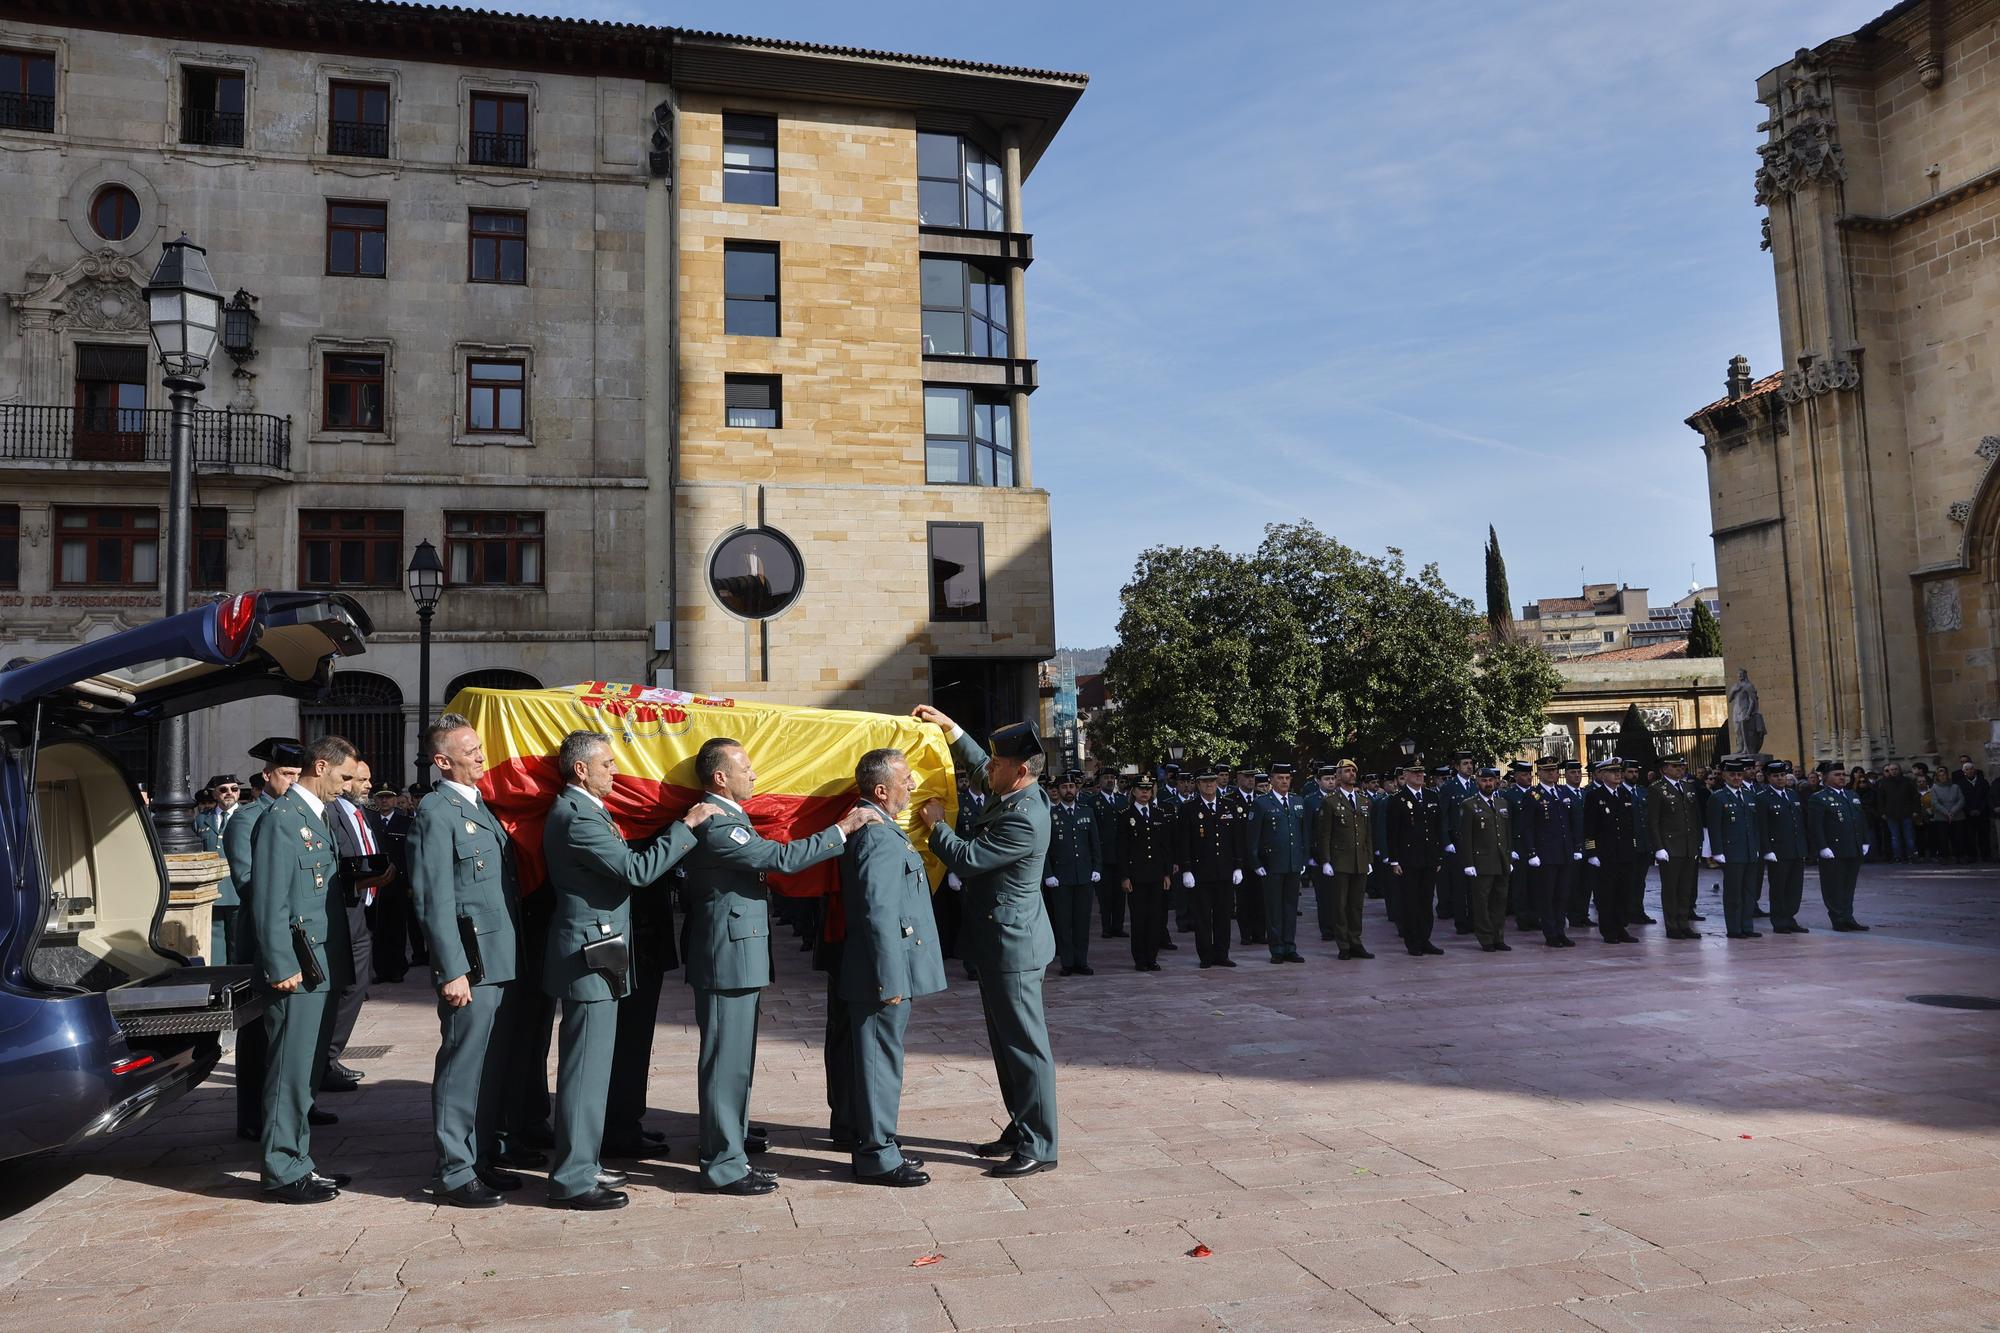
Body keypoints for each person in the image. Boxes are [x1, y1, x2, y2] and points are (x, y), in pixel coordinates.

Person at [679, 736, 871, 1196]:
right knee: (726, 1060)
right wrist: (840, 830)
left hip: (737, 952)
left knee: (737, 1057)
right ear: (720, 777)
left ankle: (731, 1139)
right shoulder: (718, 824)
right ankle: (722, 1163)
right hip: (725, 956)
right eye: (745, 767)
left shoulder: (731, 817)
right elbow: (778, 858)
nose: (755, 774)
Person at [542, 730, 719, 1210]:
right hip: (588, 954)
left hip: (602, 949)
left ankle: (584, 1160)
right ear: (580, 769)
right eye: (606, 764)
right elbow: (636, 871)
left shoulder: (589, 811)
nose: (615, 771)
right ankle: (572, 1179)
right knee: (584, 1070)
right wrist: (688, 824)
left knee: (596, 1068)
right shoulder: (577, 817)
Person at [913, 707, 1060, 1179]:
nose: (987, 771)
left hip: (1015, 946)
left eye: (999, 765)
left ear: (1020, 772)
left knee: (1025, 1047)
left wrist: (936, 824)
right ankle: (1021, 1127)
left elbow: (968, 859)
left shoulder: (1025, 817)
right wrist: (951, 726)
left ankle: (1040, 1143)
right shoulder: (1012, 791)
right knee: (1005, 1044)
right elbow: (981, 765)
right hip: (1000, 942)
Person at [408, 714, 521, 1208]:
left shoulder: (479, 805)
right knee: (461, 1065)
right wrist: (451, 969)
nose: (481, 755)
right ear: (443, 761)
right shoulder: (438, 810)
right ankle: (454, 1171)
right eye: (470, 750)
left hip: (497, 956)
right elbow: (434, 896)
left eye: (479, 747)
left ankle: (477, 1158)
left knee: (488, 1064)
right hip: (470, 963)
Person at [249, 734, 360, 1204]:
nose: (348, 786)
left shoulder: (313, 816)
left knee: (308, 1070)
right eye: (344, 776)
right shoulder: (282, 819)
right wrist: (280, 963)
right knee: (289, 1073)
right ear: (320, 766)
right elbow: (270, 898)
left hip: (320, 963)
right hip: (297, 965)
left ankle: (300, 1161)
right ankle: (280, 1169)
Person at [836, 747, 944, 1187]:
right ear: (881, 790)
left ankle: (880, 1142)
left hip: (884, 967)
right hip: (882, 971)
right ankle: (877, 1154)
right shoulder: (878, 835)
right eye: (905, 780)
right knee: (879, 1062)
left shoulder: (882, 829)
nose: (913, 786)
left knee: (882, 1059)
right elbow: (878, 911)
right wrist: (889, 976)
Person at [225, 741, 306, 1143]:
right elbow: (248, 882)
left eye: (297, 774)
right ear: (267, 776)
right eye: (286, 774)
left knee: (295, 1030)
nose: (292, 781)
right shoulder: (248, 819)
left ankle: (297, 1107)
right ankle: (252, 1115)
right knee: (258, 1030)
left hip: (297, 936)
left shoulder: (296, 815)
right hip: (261, 937)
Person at [322, 758, 396, 1093]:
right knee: (348, 986)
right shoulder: (333, 813)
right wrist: (363, 880)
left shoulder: (360, 813)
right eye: (361, 779)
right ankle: (325, 1060)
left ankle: (329, 1059)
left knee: (356, 984)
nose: (368, 785)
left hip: (363, 908)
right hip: (346, 908)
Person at [1174, 768, 1246, 968]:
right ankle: (1205, 955)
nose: (1209, 785)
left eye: (1212, 782)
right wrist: (1186, 869)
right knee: (1203, 917)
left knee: (1223, 916)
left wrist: (1238, 866)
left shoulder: (1228, 806)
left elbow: (1236, 839)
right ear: (1198, 784)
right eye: (1205, 782)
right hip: (1200, 872)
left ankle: (1222, 954)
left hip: (1224, 871)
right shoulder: (1189, 809)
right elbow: (1184, 842)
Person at [1458, 766, 1523, 952]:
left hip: (1502, 860)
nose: (1488, 784)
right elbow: (1466, 836)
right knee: (1482, 902)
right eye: (1484, 780)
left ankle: (1498, 936)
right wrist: (1469, 863)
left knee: (1500, 901)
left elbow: (1507, 832)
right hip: (1482, 861)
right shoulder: (1469, 805)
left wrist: (1509, 857)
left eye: (1491, 780)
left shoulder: (1502, 803)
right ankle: (1486, 938)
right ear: (1477, 782)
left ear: (1496, 781)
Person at [1313, 760, 1373, 960]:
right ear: (1338, 776)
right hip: (1340, 860)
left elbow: (1367, 833)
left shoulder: (1364, 800)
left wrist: (1369, 858)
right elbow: (1324, 834)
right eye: (1347, 771)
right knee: (1340, 904)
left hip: (1360, 859)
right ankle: (1343, 945)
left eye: (1354, 770)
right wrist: (1326, 860)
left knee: (1356, 904)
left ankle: (1356, 941)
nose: (1351, 774)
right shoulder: (1330, 801)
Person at [1249, 762, 1309, 964]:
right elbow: (1253, 837)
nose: (1284, 781)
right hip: (1272, 864)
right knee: (1274, 908)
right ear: (1271, 780)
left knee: (1291, 907)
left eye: (1287, 778)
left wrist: (1303, 859)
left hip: (1293, 863)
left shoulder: (1297, 801)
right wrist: (1255, 862)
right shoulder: (1262, 803)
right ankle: (1277, 948)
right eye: (1280, 778)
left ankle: (1290, 946)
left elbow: (1303, 834)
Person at [1042, 773, 1101, 976]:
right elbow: (1045, 848)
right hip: (1061, 877)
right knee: (1064, 921)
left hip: (1084, 875)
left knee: (1082, 921)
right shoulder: (1050, 814)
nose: (1069, 790)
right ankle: (1067, 962)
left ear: (1077, 789)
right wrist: (1048, 874)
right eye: (1064, 787)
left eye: (1071, 786)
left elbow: (1095, 843)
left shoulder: (1087, 811)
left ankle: (1081, 961)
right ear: (1057, 790)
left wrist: (1097, 868)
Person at [1384, 761, 1445, 957]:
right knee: (1410, 901)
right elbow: (1392, 832)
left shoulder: (1431, 796)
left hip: (1428, 857)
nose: (1420, 776)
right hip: (1408, 859)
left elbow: (1437, 829)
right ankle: (1413, 942)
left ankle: (1425, 938)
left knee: (1426, 901)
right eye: (1415, 773)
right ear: (1406, 775)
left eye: (1422, 772)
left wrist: (1438, 857)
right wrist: (1394, 860)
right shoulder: (1397, 800)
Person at [1583, 758, 1640, 944]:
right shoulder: (1595, 796)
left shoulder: (1624, 795)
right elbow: (1589, 827)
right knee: (1607, 894)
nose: (1618, 775)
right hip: (1605, 855)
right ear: (1603, 775)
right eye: (1613, 771)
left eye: (1619, 771)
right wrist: (1592, 853)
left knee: (1624, 892)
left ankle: (1621, 927)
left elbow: (1630, 826)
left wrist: (1632, 849)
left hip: (1624, 853)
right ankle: (1608, 930)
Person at [1808, 762, 1871, 931]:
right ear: (1825, 777)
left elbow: (1861, 820)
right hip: (1833, 849)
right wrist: (1822, 847)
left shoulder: (1852, 795)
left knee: (1849, 885)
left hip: (1853, 847)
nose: (1842, 777)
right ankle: (1837, 918)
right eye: (1837, 774)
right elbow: (1816, 826)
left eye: (1843, 774)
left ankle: (1848, 916)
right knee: (1833, 885)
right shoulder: (1819, 798)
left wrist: (1865, 841)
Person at [1119, 777, 1174, 972]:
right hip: (1136, 876)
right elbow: (1122, 849)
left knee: (1155, 918)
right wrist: (1124, 876)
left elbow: (1165, 846)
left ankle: (1152, 957)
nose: (1145, 793)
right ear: (1133, 791)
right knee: (1139, 918)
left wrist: (1167, 873)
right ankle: (1140, 958)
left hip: (1156, 875)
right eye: (1141, 789)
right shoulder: (1126, 815)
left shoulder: (1158, 814)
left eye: (1148, 790)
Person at [1707, 758, 1764, 939]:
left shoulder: (1749, 796)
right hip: (1731, 852)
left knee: (1749, 891)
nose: (1737, 778)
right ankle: (1734, 928)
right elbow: (1714, 827)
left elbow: (1755, 825)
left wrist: (1756, 847)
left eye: (1739, 774)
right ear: (1724, 776)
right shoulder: (1718, 797)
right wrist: (1717, 851)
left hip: (1749, 851)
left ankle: (1747, 926)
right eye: (1732, 774)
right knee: (1733, 893)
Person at [1649, 754, 1703, 939]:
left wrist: (1697, 844)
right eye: (1675, 767)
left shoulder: (1688, 787)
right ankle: (1672, 926)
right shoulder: (1657, 789)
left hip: (1688, 846)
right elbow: (1653, 821)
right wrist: (1659, 847)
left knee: (1686, 888)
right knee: (1671, 889)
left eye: (1682, 767)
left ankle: (1684, 922)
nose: (1680, 770)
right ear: (1664, 769)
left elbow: (1695, 818)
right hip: (1670, 846)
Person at [1526, 757, 1579, 947]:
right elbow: (1529, 827)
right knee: (1547, 895)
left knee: (1562, 894)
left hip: (1564, 852)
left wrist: (1576, 847)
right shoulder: (1534, 795)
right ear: (1539, 773)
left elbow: (1571, 822)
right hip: (1546, 854)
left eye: (1554, 770)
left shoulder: (1563, 792)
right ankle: (1551, 933)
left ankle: (1560, 930)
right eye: (1547, 771)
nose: (1551, 774)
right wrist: (1531, 852)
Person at [1756, 760, 1810, 933]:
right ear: (1768, 778)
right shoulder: (1763, 798)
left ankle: (1790, 917)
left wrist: (1803, 846)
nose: (1780, 779)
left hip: (1795, 848)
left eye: (1782, 775)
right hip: (1777, 850)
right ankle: (1779, 920)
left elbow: (1800, 823)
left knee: (1795, 887)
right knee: (1779, 886)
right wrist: (1767, 850)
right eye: (1775, 776)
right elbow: (1762, 827)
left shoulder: (1793, 795)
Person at [195, 774, 244, 965]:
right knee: (214, 946)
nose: (229, 793)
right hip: (212, 891)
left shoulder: (249, 815)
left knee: (238, 944)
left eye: (234, 789)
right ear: (215, 794)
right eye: (224, 790)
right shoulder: (201, 820)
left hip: (239, 888)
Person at [1437, 752, 1478, 934]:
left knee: (1475, 885)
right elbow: (1443, 816)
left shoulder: (1477, 785)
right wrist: (1446, 841)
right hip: (1457, 841)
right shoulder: (1449, 788)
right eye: (1465, 763)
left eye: (1471, 763)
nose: (1469, 766)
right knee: (1460, 885)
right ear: (1456, 767)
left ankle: (1476, 920)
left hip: (1476, 841)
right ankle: (1462, 922)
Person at [1084, 770, 1126, 940]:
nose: (1110, 781)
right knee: (1105, 895)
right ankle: (1106, 927)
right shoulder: (1093, 802)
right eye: (1106, 778)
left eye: (1112, 778)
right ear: (1099, 782)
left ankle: (1118, 926)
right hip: (1102, 855)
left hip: (1120, 854)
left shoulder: (1122, 800)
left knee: (1120, 894)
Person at [1929, 767, 1968, 862]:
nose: (1942, 777)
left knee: (1958, 837)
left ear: (1947, 775)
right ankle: (1944, 856)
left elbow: (1961, 800)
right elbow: (1935, 802)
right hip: (1942, 817)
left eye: (1944, 775)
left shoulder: (1955, 787)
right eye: (1940, 775)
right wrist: (1946, 813)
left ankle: (1959, 855)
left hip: (1957, 816)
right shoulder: (1934, 788)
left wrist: (1952, 812)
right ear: (1937, 777)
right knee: (1943, 838)